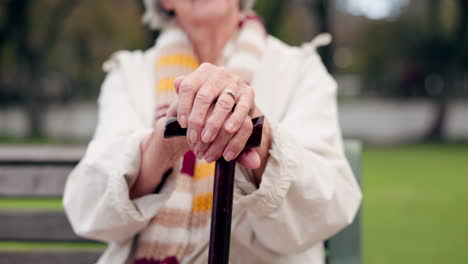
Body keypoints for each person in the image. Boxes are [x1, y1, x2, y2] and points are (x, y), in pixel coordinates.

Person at [63, 0, 362, 263]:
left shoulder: (300, 69)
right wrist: (162, 145)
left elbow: (327, 206)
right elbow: (92, 211)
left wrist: (255, 136)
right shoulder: (129, 73)